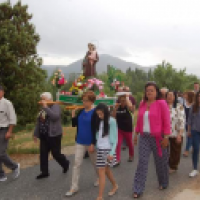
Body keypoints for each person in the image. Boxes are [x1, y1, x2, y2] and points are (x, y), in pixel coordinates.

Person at [133, 82, 171, 198]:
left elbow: (166, 121)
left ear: (156, 92)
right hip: (144, 137)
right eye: (147, 90)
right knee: (142, 163)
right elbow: (139, 120)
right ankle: (138, 189)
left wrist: (166, 137)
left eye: (151, 90)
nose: (149, 92)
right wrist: (136, 134)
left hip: (158, 138)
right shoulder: (143, 103)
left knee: (160, 162)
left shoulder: (161, 103)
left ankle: (163, 182)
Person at [66, 91, 99, 197]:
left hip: (90, 143)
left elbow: (96, 129)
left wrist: (93, 143)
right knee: (77, 163)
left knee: (95, 163)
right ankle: (74, 187)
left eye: (86, 101)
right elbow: (75, 124)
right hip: (80, 141)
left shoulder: (95, 112)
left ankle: (98, 177)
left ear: (91, 101)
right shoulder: (81, 112)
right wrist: (73, 115)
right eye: (83, 100)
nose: (84, 102)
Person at [34, 92, 70, 179]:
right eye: (42, 99)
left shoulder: (55, 106)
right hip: (44, 135)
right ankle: (44, 172)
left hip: (54, 134)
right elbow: (39, 121)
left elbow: (55, 117)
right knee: (43, 153)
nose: (42, 101)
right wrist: (35, 134)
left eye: (43, 99)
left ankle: (65, 163)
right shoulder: (43, 108)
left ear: (49, 99)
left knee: (56, 153)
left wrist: (46, 107)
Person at [95, 103, 118, 200]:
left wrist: (112, 152)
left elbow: (115, 138)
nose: (100, 116)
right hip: (100, 149)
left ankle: (100, 196)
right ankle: (115, 185)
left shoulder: (112, 121)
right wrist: (96, 146)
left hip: (108, 150)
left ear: (105, 112)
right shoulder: (99, 121)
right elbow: (98, 135)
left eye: (101, 114)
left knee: (101, 171)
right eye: (98, 114)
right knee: (106, 171)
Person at [0, 85, 20, 182]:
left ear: (3, 92)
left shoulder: (7, 103)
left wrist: (9, 132)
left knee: (1, 152)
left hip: (4, 130)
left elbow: (13, 119)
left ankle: (15, 166)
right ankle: (1, 174)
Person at [166, 91, 185, 173]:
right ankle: (166, 164)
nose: (169, 97)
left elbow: (182, 121)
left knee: (175, 151)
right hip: (165, 133)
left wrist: (180, 134)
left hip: (176, 132)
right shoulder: (163, 106)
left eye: (171, 95)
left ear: (175, 97)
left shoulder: (179, 106)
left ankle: (173, 166)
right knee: (164, 150)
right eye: (168, 95)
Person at [113, 94, 134, 165]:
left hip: (128, 129)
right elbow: (113, 117)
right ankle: (118, 159)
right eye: (121, 100)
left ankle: (131, 155)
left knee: (129, 143)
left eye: (124, 100)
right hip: (120, 129)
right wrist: (115, 109)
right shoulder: (118, 108)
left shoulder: (127, 108)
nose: (122, 102)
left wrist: (127, 99)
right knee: (118, 144)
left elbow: (131, 108)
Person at [187, 91, 200, 177]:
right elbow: (189, 120)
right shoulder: (193, 107)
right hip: (195, 131)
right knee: (196, 149)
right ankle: (195, 169)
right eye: (199, 96)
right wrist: (189, 131)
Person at [183, 91, 195, 157]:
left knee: (189, 135)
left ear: (189, 96)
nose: (184, 96)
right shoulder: (184, 103)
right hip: (185, 122)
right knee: (190, 135)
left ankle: (186, 150)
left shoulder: (194, 104)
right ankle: (194, 146)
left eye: (186, 95)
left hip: (193, 123)